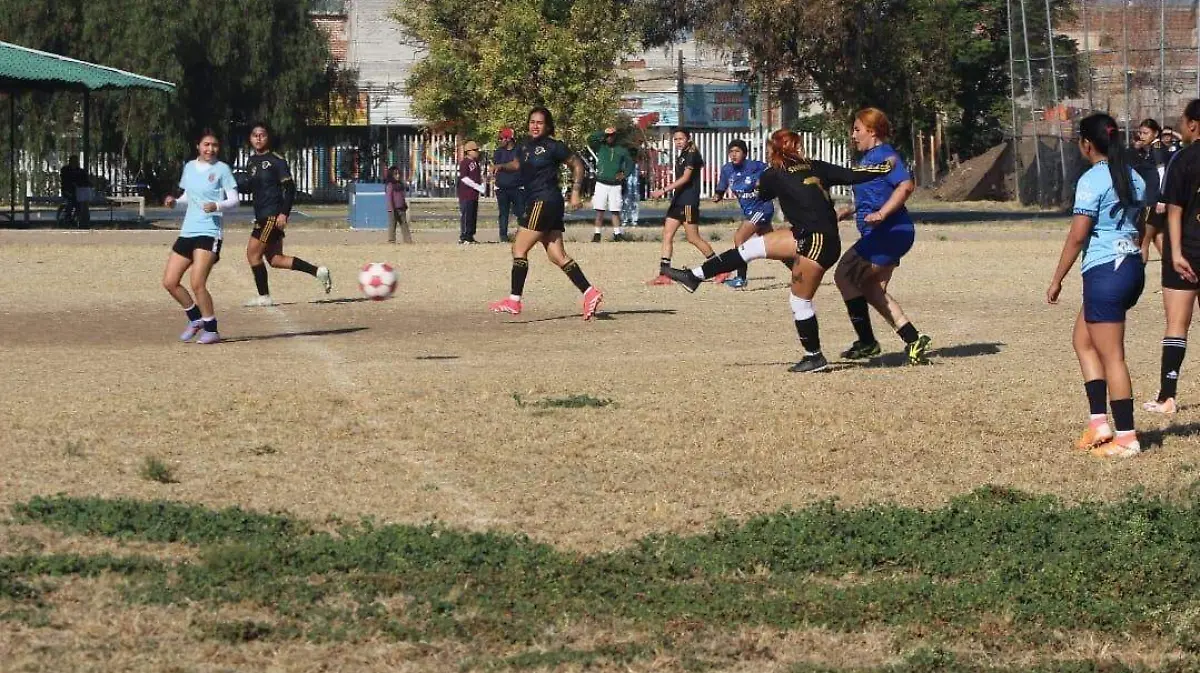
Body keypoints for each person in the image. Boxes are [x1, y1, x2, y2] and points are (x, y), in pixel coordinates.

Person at [660, 129, 893, 372]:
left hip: (816, 242)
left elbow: (763, 192)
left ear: (776, 150)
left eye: (770, 148)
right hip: (816, 235)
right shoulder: (815, 166)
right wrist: (886, 167)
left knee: (799, 300)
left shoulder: (773, 174)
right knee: (750, 247)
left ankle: (814, 357)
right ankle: (694, 276)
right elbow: (854, 174)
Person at [1046, 112, 1146, 459]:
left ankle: (1127, 438)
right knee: (1082, 340)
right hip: (1130, 267)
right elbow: (1141, 226)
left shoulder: (1091, 180)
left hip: (1106, 272)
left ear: (1086, 144)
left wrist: (1057, 279)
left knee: (1112, 356)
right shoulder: (1134, 176)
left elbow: (1077, 236)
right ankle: (1099, 423)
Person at [833, 108, 932, 365]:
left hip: (890, 231)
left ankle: (866, 342)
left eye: (857, 129)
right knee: (870, 288)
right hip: (883, 233)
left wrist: (882, 214)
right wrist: (851, 209)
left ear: (872, 131)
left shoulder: (886, 155)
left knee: (843, 274)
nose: (852, 135)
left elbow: (906, 185)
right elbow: (875, 193)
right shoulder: (868, 159)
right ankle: (913, 339)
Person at [488, 106, 604, 320]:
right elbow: (517, 163)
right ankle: (590, 292)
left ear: (548, 126)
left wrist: (576, 192)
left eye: (539, 122)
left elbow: (577, 164)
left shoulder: (554, 146)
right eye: (532, 121)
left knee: (519, 248)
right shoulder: (524, 146)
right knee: (556, 255)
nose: (534, 125)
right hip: (544, 202)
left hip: (544, 200)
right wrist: (501, 166)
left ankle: (514, 301)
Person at [1146, 99, 1200, 416]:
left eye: (1182, 120)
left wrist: (1175, 252)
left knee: (1177, 324)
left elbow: (1175, 210)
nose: (1180, 126)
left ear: (1193, 124)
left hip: (1189, 250)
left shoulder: (1184, 158)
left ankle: (1167, 396)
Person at [241, 122, 332, 307]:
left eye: (262, 134)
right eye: (254, 135)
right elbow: (250, 187)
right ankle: (318, 271)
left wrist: (284, 213)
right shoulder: (251, 161)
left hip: (271, 215)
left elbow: (289, 188)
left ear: (268, 137)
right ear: (250, 138)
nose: (258, 138)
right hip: (261, 214)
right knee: (275, 259)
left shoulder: (276, 160)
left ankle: (264, 297)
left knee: (252, 255)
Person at [162, 129, 239, 344]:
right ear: (198, 146)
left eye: (214, 145)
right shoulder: (189, 167)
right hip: (188, 230)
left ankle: (212, 330)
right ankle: (195, 319)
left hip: (209, 231)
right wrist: (174, 202)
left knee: (197, 282)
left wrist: (217, 205)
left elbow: (235, 200)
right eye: (206, 144)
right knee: (170, 282)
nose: (210, 149)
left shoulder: (222, 169)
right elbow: (188, 197)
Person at [649, 129, 725, 285]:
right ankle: (665, 273)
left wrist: (662, 190)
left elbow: (685, 178)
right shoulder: (683, 154)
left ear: (688, 139)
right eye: (675, 139)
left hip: (688, 202)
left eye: (681, 139)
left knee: (693, 238)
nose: (678, 142)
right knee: (667, 235)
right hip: (678, 200)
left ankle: (721, 269)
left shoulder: (691, 154)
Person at [712, 139, 777, 289]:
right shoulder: (727, 169)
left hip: (762, 209)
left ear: (745, 153)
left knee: (739, 238)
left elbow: (774, 172)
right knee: (774, 247)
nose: (733, 155)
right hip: (750, 210)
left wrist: (764, 182)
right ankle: (800, 271)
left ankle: (741, 278)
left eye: (737, 151)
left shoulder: (755, 166)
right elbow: (722, 186)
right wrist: (718, 195)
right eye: (731, 151)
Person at [587, 126, 633, 242]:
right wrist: (604, 131)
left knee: (615, 209)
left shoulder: (621, 150)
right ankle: (597, 234)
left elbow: (630, 163)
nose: (609, 138)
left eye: (612, 136)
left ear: (615, 136)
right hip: (601, 183)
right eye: (608, 136)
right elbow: (590, 139)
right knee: (600, 209)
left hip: (615, 184)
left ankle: (617, 234)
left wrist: (624, 174)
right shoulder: (601, 147)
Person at [493, 127, 524, 242]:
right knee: (503, 213)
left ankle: (522, 236)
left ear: (509, 139)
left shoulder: (519, 150)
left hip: (518, 187)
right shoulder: (498, 152)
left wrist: (501, 166)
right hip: (502, 188)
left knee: (521, 213)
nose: (500, 141)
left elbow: (516, 165)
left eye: (501, 138)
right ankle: (503, 237)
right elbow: (496, 166)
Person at [458, 140, 484, 244]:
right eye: (475, 150)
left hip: (474, 195)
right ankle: (464, 236)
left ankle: (470, 235)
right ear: (468, 151)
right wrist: (477, 186)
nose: (477, 152)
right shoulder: (465, 163)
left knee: (473, 215)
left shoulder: (476, 163)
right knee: (466, 215)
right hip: (466, 194)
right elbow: (464, 178)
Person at [59, 156, 90, 226]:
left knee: (81, 204)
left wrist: (88, 185)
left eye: (76, 161)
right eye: (73, 161)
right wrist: (71, 185)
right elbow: (64, 181)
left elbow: (86, 181)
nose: (75, 163)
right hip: (67, 191)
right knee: (70, 203)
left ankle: (78, 219)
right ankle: (67, 218)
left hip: (79, 192)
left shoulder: (81, 171)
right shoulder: (65, 170)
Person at [385, 165, 411, 244]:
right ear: (391, 175)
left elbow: (402, 196)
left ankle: (408, 240)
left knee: (404, 225)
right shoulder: (390, 185)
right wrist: (391, 209)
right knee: (392, 225)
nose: (398, 175)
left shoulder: (400, 184)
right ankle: (391, 241)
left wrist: (404, 205)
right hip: (393, 209)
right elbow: (389, 197)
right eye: (395, 174)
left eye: (398, 174)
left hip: (401, 208)